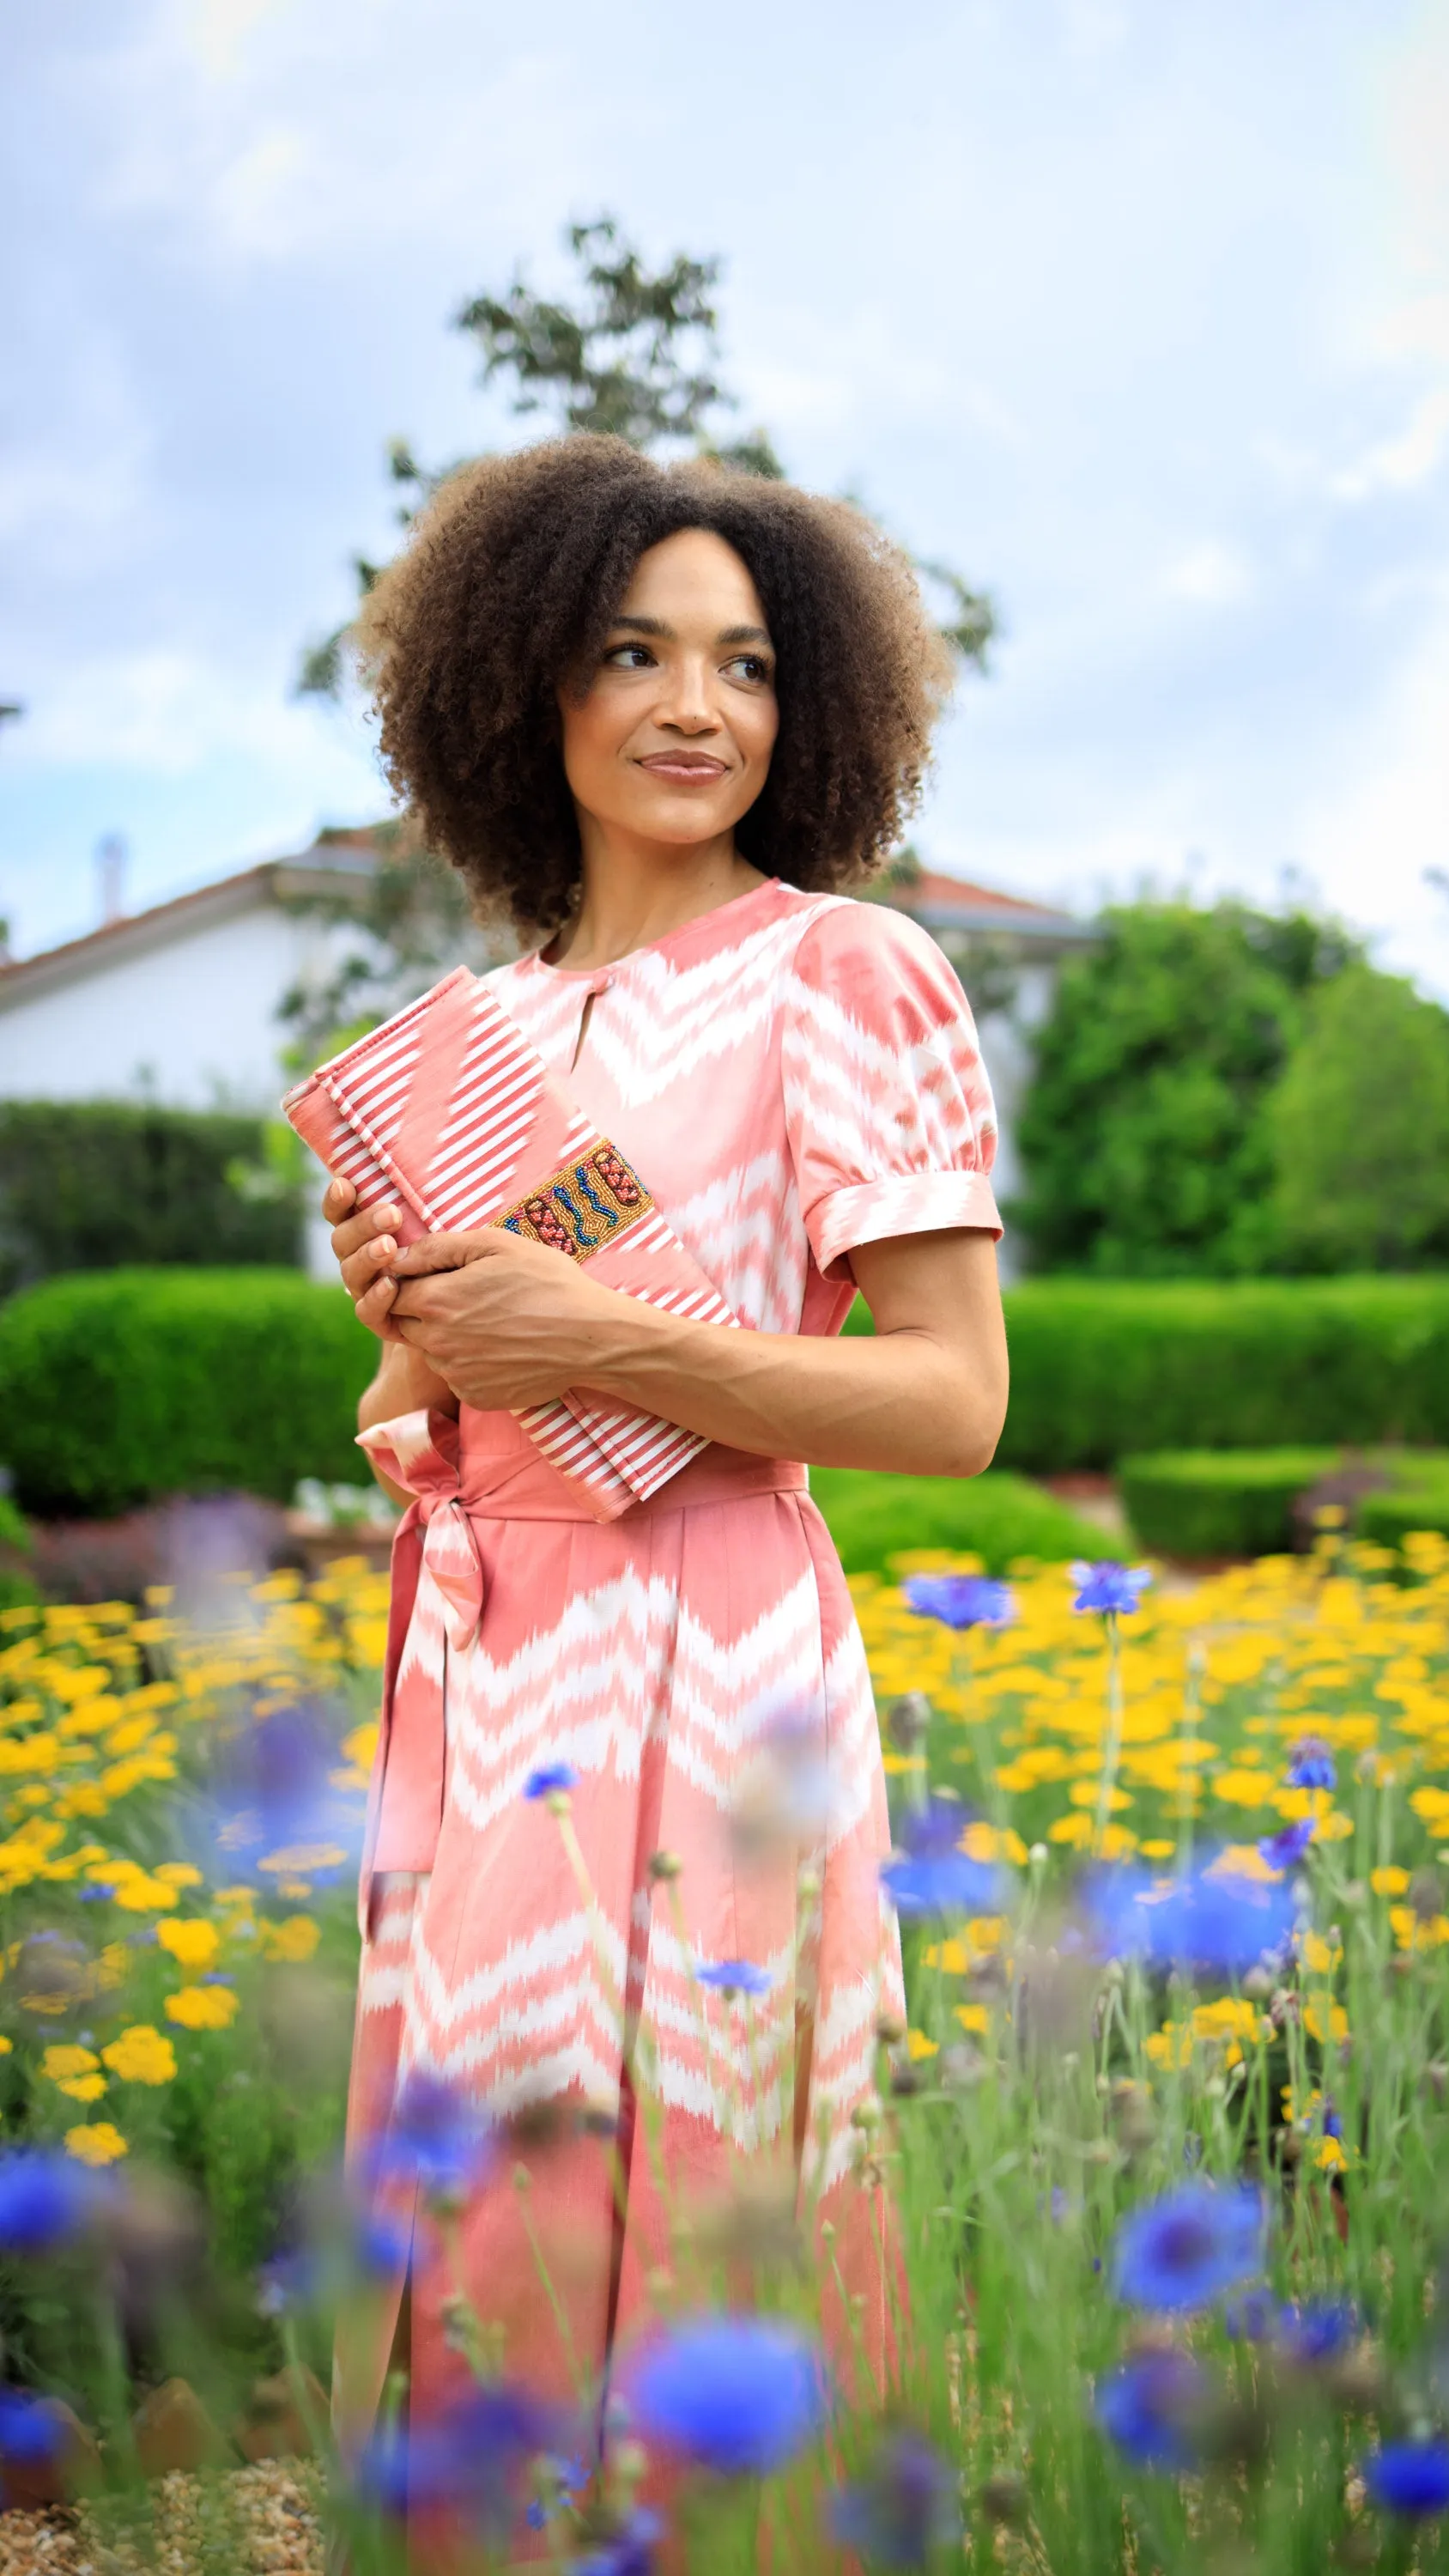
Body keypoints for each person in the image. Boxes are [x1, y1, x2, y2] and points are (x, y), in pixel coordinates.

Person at [321, 435, 1008, 2533]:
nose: (697, 705)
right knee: (490, 2190)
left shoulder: (843, 974)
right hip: (490, 1659)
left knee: (711, 2190)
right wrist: (420, 1316)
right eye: (634, 651)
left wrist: (597, 1336)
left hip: (716, 1666)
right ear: (527, 681)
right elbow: (447, 1413)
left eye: (747, 663)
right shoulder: (474, 1030)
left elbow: (951, 1401)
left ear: (809, 714)